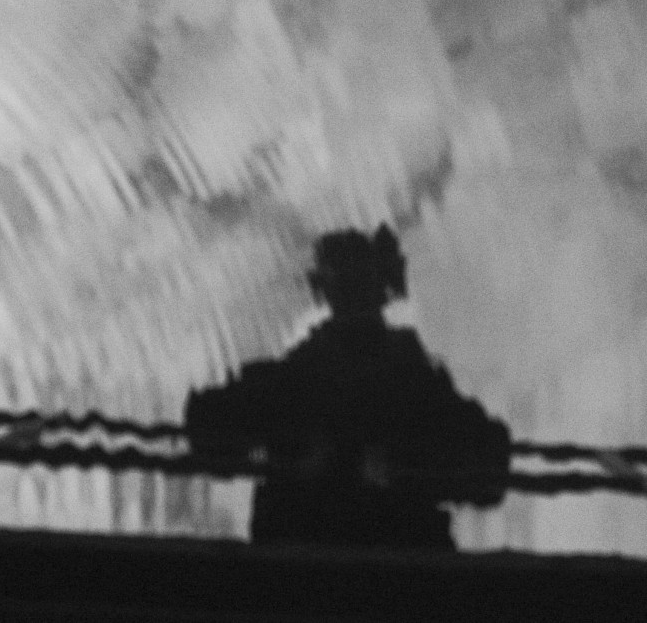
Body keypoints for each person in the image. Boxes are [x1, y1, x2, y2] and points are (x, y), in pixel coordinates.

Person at [182, 225, 510, 550]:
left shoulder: (297, 379)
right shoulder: (413, 380)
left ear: (323, 289)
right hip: (395, 565)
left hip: (304, 564)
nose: (353, 290)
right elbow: (487, 468)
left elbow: (208, 427)